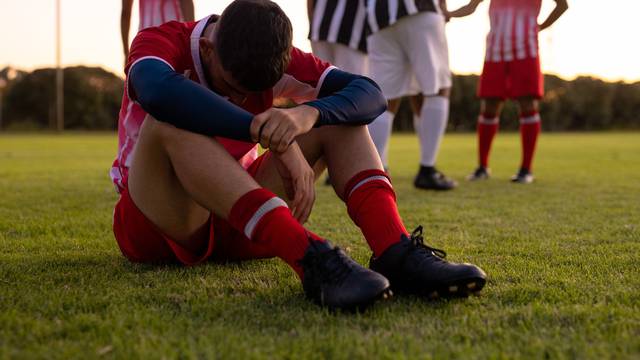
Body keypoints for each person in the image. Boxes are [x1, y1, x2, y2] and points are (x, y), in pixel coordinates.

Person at [111, 0, 486, 311]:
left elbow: (369, 94)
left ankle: (395, 250)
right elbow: (156, 91)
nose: (243, 97)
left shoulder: (277, 54)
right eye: (232, 87)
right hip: (161, 224)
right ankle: (309, 256)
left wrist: (308, 115)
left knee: (339, 115)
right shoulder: (161, 41)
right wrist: (270, 136)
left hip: (241, 220)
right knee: (166, 122)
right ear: (207, 49)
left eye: (254, 92)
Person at [455, 0, 568, 183]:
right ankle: (482, 167)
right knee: (489, 106)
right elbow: (470, 7)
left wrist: (540, 27)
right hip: (495, 50)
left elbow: (562, 5)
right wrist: (446, 14)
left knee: (527, 104)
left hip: (526, 50)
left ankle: (526, 169)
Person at [366, 0, 471, 190]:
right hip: (420, 9)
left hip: (378, 17)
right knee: (438, 89)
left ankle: (376, 172)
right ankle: (427, 169)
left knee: (384, 98)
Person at [121, 0, 195, 60]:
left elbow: (125, 12)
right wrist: (191, 41)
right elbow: (186, 2)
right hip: (173, 37)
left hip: (145, 40)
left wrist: (126, 54)